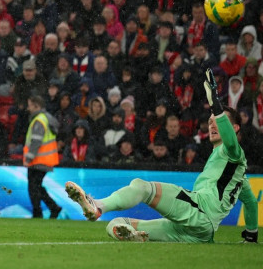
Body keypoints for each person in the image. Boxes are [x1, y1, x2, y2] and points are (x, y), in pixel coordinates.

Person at [65, 69, 258, 243]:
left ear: (234, 128)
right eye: (210, 121)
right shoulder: (237, 175)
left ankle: (98, 205)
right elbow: (250, 203)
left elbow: (231, 142)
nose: (212, 124)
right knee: (116, 223)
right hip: (199, 232)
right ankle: (132, 235)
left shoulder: (233, 152)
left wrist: (215, 104)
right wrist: (251, 236)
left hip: (198, 211)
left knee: (141, 186)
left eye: (218, 120)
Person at [24, 95, 62, 219]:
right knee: (37, 187)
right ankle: (52, 207)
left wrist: (29, 158)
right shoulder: (45, 118)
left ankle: (38, 212)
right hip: (45, 160)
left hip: (38, 160)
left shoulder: (39, 120)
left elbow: (36, 141)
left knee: (33, 187)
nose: (28, 108)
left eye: (30, 105)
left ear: (36, 106)